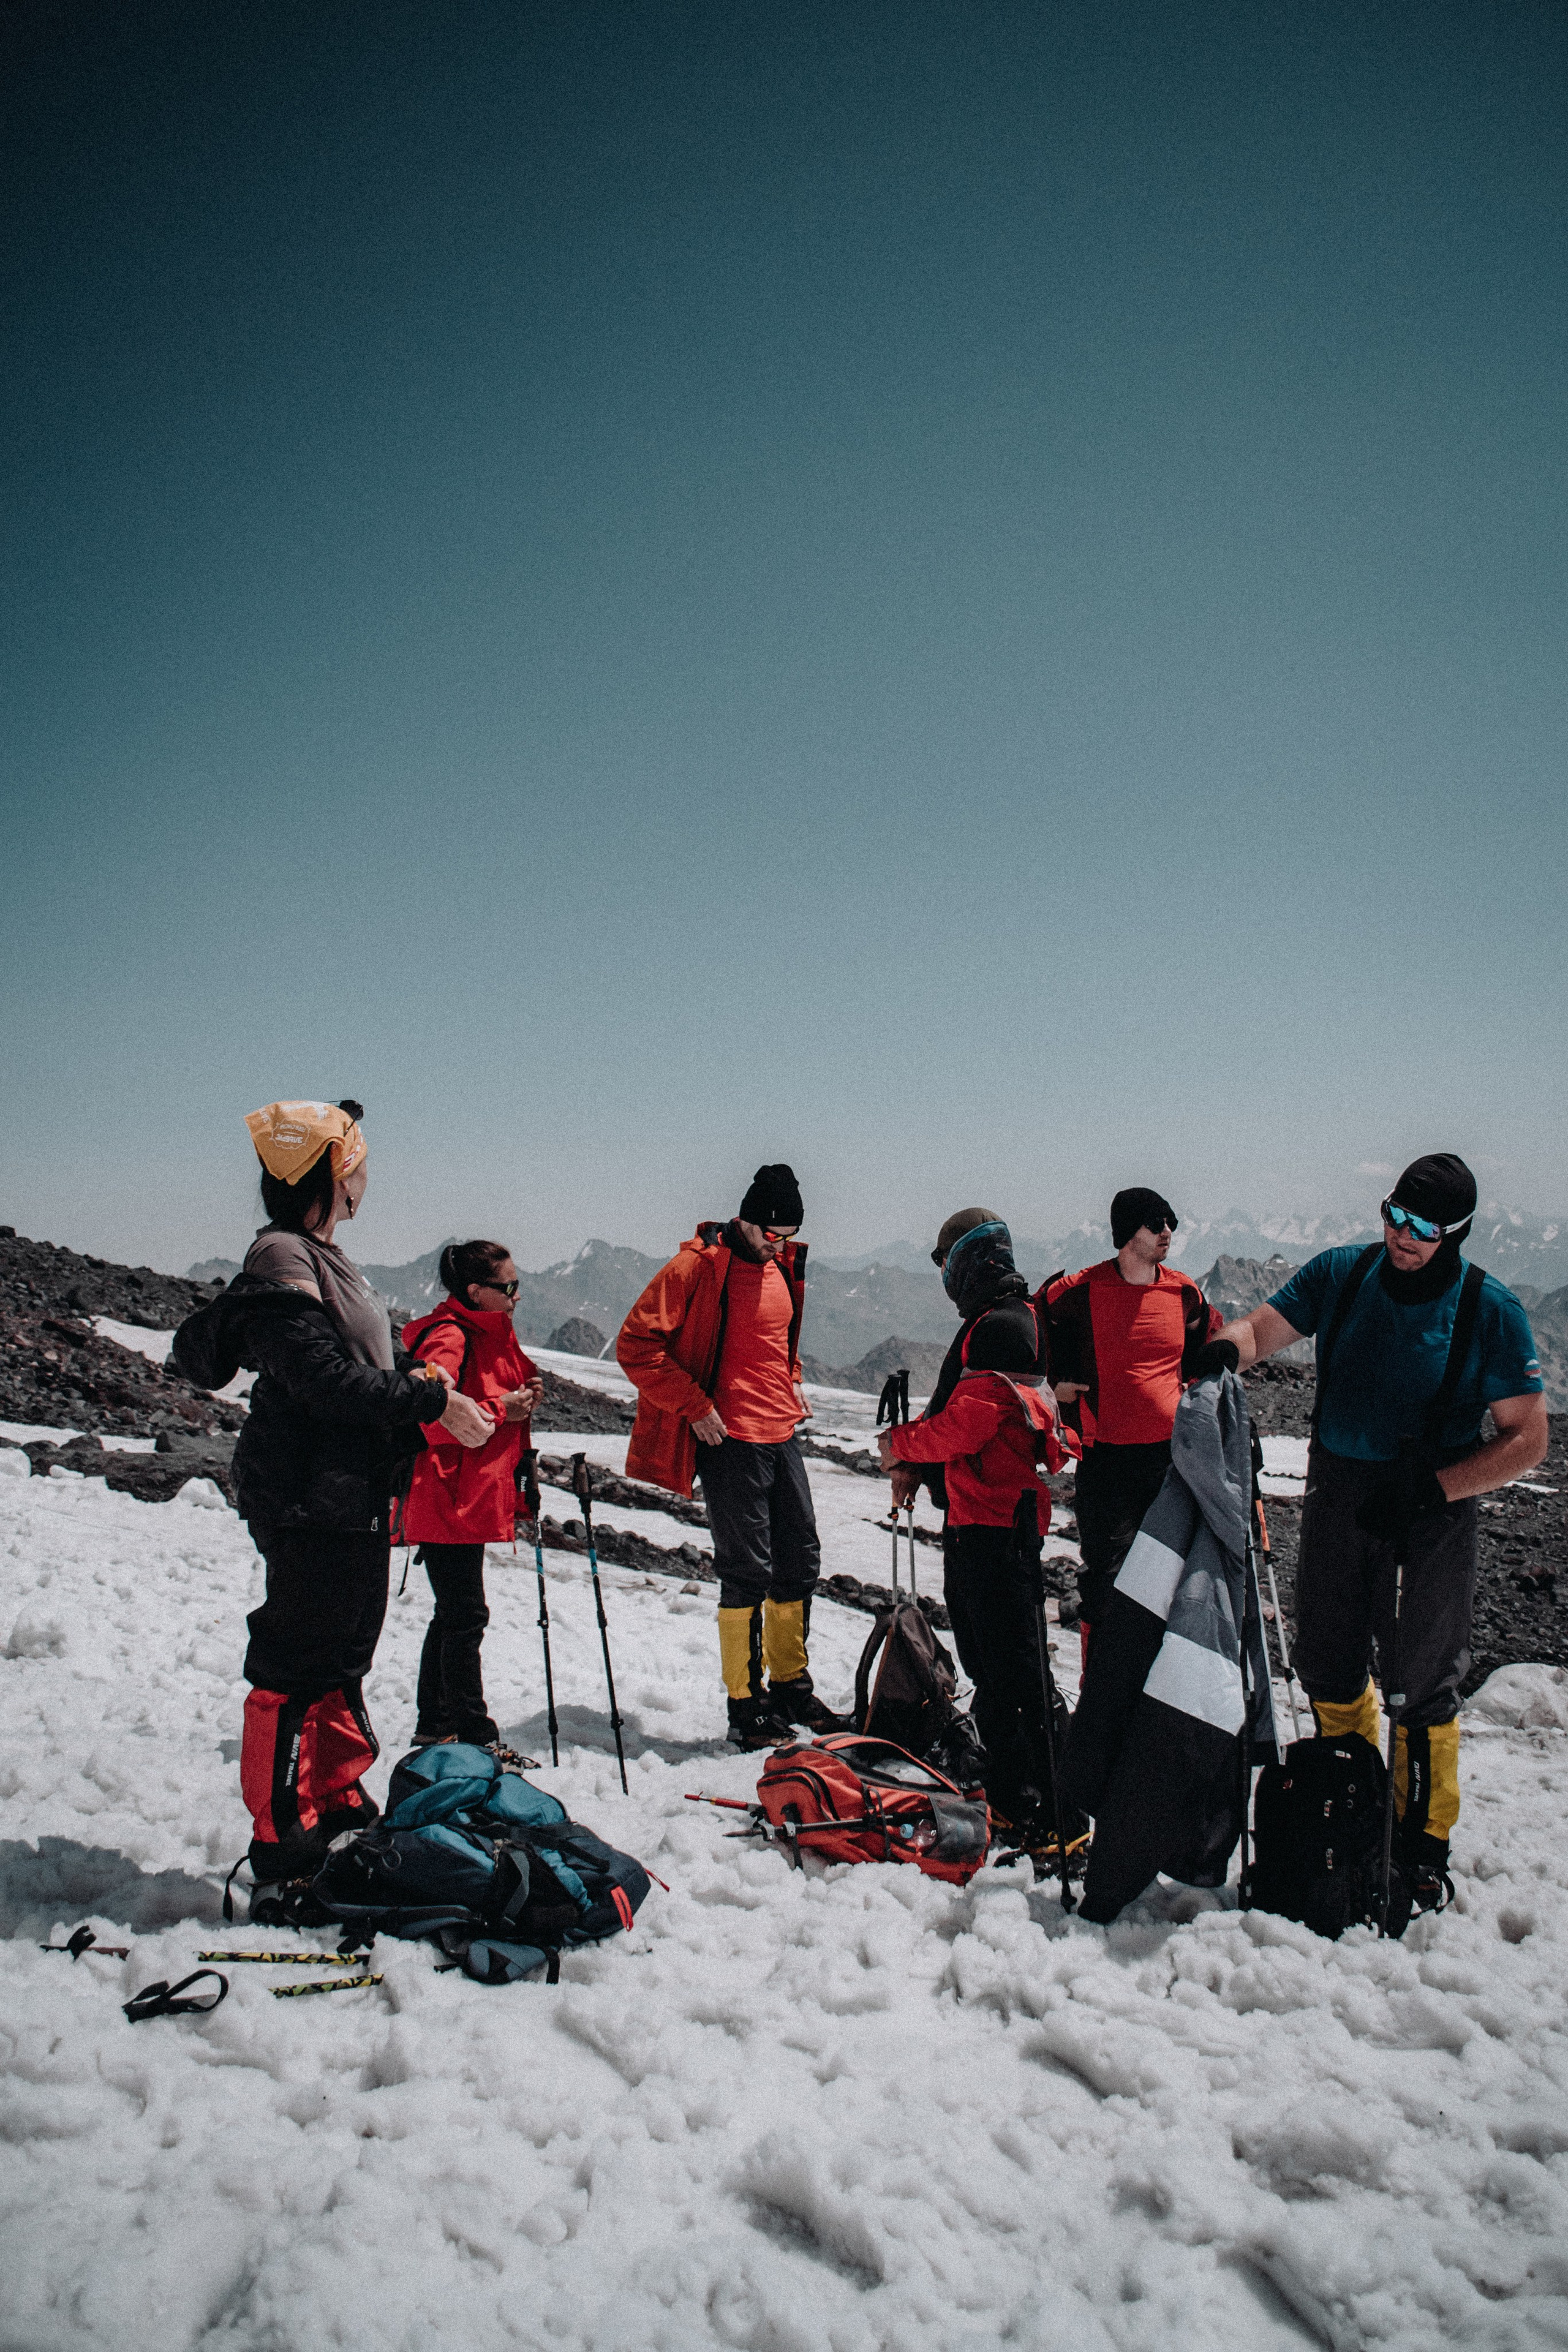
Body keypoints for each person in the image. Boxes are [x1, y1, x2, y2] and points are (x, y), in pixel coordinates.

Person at [171, 1099, 491, 1909]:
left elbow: (351, 1363)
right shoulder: (281, 1259)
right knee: (298, 1661)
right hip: (310, 1495)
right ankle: (284, 1844)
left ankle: (337, 1803)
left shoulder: (313, 1253)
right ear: (330, 1175)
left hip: (346, 1495)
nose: (367, 1176)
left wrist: (423, 1383)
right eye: (357, 1161)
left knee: (341, 1658)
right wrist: (428, 1401)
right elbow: (321, 1380)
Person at [1213, 1153, 1545, 1904]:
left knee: (1421, 1683)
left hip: (1428, 1513)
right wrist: (1222, 1351)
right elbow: (1265, 1329)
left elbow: (1527, 1438)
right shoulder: (1345, 1274)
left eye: (1423, 1227)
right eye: (1394, 1213)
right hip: (1338, 1494)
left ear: (1454, 1233)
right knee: (1326, 1659)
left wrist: (1436, 1489)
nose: (1402, 1235)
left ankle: (1422, 1844)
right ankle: (1353, 1797)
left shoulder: (1488, 1309)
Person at [617, 1163, 833, 1748]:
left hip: (781, 1432)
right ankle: (746, 1706)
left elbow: (775, 1344)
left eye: (788, 1236)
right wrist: (694, 1405)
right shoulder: (697, 1267)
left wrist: (791, 1381)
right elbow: (635, 1346)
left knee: (800, 1561)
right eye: (772, 1234)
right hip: (729, 1439)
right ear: (745, 1218)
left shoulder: (784, 1266)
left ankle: (791, 1685)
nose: (780, 1246)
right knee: (747, 1574)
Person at [880, 1212, 1077, 1826]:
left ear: (967, 1262)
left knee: (1012, 1674)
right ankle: (1022, 1789)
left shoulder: (1001, 1328)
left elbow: (969, 1423)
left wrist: (901, 1447)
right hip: (982, 1520)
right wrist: (921, 1466)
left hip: (997, 1525)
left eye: (945, 1264)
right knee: (998, 1666)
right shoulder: (999, 1321)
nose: (944, 1278)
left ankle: (1040, 1802)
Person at [1044, 1188, 1224, 1651]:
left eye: (1170, 1223)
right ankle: (1099, 1694)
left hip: (1170, 1463)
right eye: (1156, 1224)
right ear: (1127, 1234)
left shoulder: (1184, 1293)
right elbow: (1029, 1329)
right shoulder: (1078, 1292)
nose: (1168, 1232)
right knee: (1106, 1582)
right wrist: (1055, 1388)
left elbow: (1210, 1347)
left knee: (1170, 1577)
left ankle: (1153, 1701)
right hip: (1107, 1464)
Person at [401, 1239, 544, 1749]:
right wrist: (506, 1407)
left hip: (460, 1495)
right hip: (447, 1496)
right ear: (476, 1291)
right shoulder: (449, 1337)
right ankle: (471, 1733)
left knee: (455, 1614)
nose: (516, 1296)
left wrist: (518, 1400)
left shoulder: (482, 1330)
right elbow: (431, 1415)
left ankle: (436, 1723)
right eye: (508, 1287)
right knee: (465, 1616)